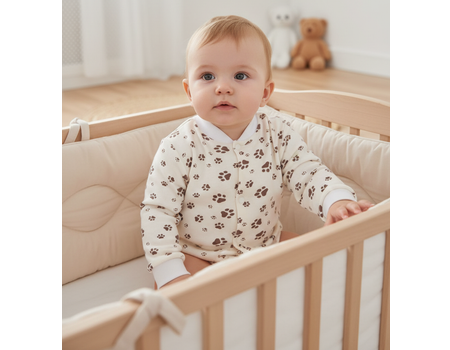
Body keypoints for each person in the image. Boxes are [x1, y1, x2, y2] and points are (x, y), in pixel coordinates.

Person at [140, 15, 373, 289]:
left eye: (240, 76)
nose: (223, 87)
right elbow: (158, 210)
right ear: (189, 91)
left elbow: (308, 173)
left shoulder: (277, 132)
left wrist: (336, 200)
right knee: (184, 294)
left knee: (316, 263)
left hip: (266, 244)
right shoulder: (178, 145)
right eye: (207, 76)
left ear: (265, 92)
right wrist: (169, 270)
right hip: (199, 254)